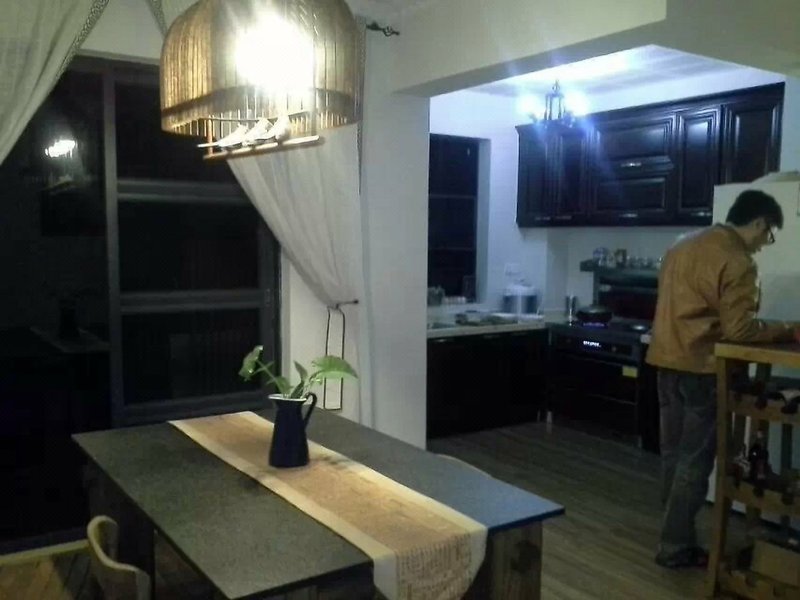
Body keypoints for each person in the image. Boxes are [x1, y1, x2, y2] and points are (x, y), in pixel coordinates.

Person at [646, 189, 799, 569]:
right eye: (768, 234)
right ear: (759, 222)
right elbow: (739, 330)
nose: (764, 243)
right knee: (695, 462)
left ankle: (672, 534)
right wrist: (788, 329)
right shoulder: (737, 260)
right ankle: (674, 547)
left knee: (673, 453)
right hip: (702, 367)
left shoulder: (682, 244)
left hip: (665, 360)